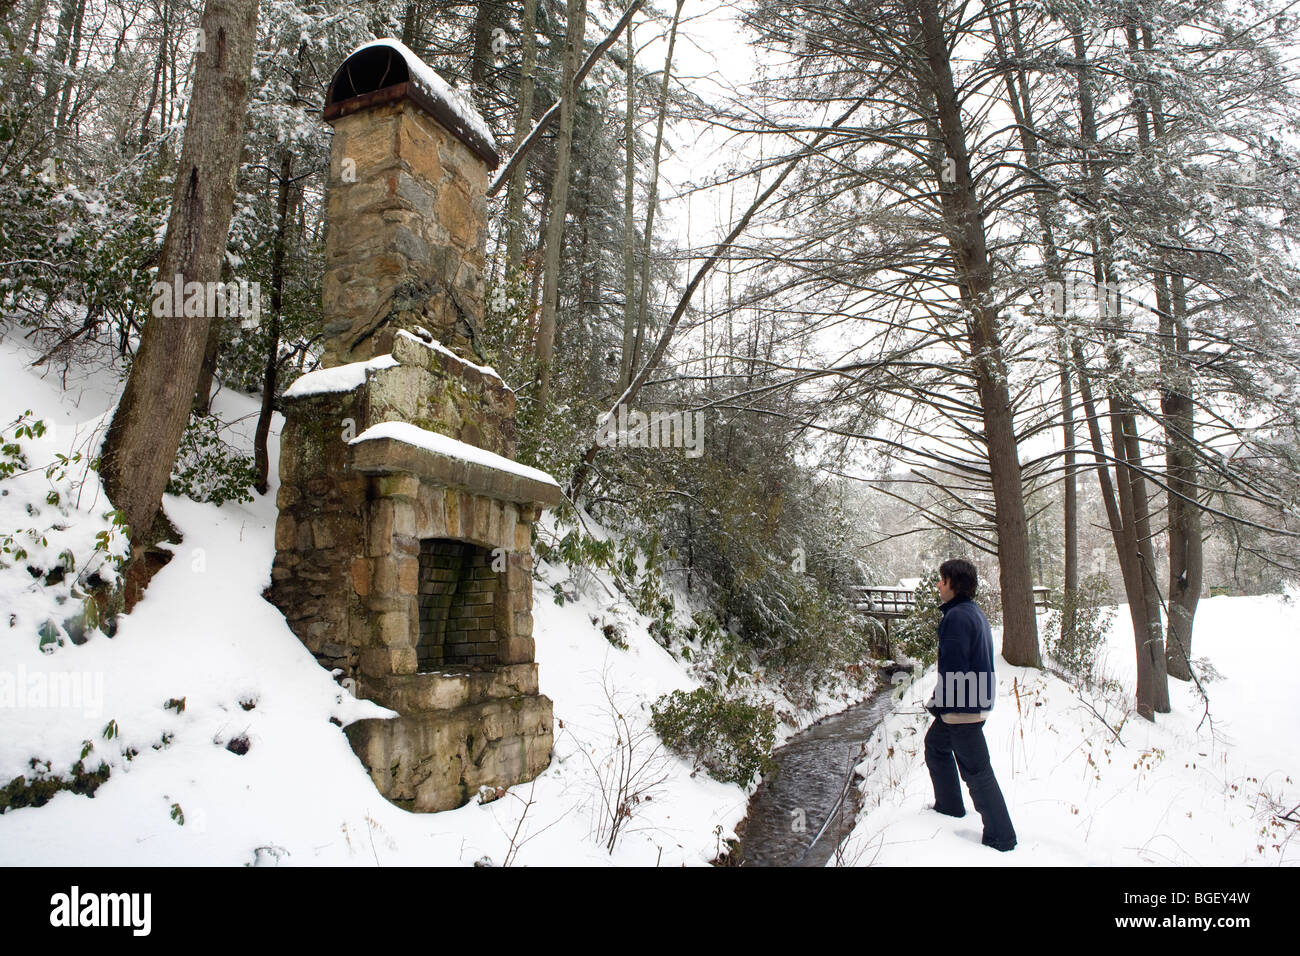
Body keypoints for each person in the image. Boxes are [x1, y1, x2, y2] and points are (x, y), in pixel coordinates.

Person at [923, 558, 1017, 852]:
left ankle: (1001, 837)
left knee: (976, 770)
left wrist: (941, 705)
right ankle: (949, 807)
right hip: (971, 701)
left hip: (963, 707)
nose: (939, 584)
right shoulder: (970, 612)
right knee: (936, 746)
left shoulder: (957, 618)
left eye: (942, 579)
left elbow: (953, 669)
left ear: (954, 583)